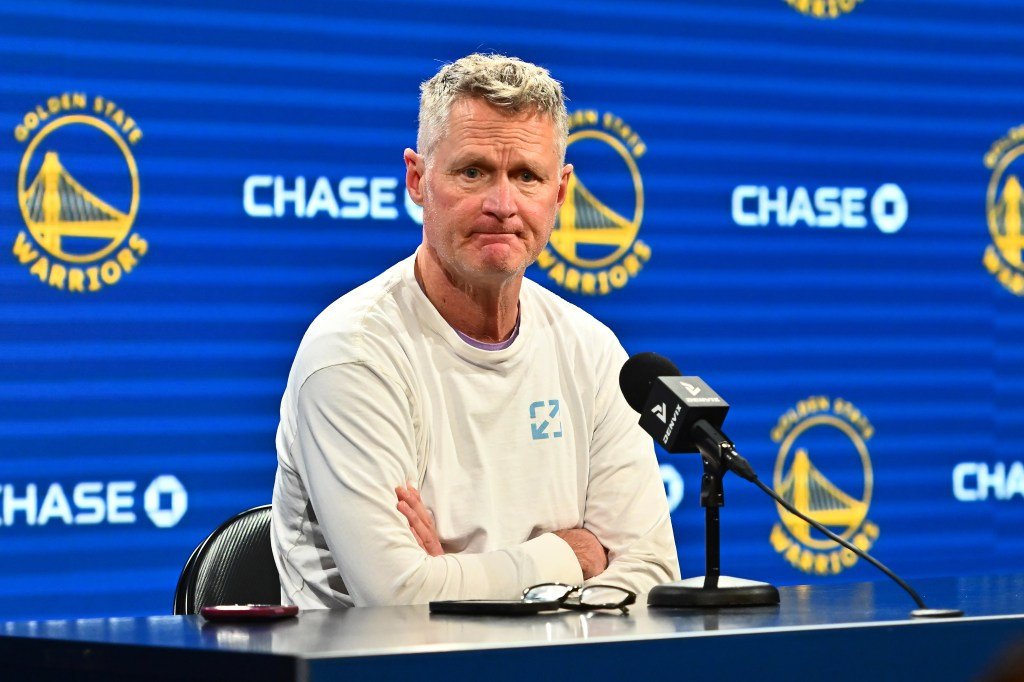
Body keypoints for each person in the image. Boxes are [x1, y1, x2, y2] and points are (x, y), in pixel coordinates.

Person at [271, 53, 679, 608]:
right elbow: (401, 602)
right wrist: (571, 555)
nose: (502, 205)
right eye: (473, 172)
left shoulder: (593, 350)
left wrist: (457, 577)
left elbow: (651, 573)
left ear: (560, 193)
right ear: (417, 179)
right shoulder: (352, 354)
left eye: (527, 176)